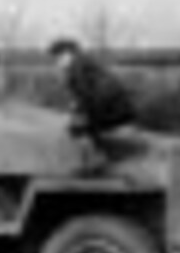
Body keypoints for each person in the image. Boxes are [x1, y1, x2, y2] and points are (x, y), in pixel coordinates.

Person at [48, 38, 137, 174]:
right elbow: (87, 94)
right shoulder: (84, 62)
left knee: (77, 128)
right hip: (119, 107)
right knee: (83, 125)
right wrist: (78, 108)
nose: (57, 63)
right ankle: (97, 158)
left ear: (68, 54)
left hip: (112, 107)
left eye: (59, 58)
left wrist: (78, 111)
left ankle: (95, 161)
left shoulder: (77, 68)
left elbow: (87, 95)